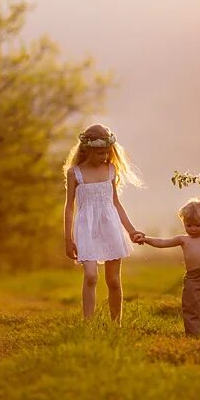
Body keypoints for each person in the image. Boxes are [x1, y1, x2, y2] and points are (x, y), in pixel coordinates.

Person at [63, 124, 144, 323]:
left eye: (107, 152)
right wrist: (68, 239)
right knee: (91, 276)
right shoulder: (75, 173)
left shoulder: (111, 170)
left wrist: (131, 230)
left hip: (110, 228)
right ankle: (88, 324)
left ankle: (115, 324)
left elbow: (116, 203)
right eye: (100, 153)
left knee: (114, 280)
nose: (104, 157)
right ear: (87, 150)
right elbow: (69, 207)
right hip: (86, 229)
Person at [136, 191, 200, 335]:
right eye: (189, 225)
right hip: (193, 279)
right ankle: (194, 333)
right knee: (192, 305)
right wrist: (145, 239)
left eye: (197, 225)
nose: (193, 229)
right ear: (184, 223)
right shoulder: (183, 239)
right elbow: (162, 242)